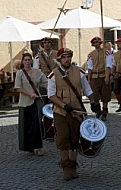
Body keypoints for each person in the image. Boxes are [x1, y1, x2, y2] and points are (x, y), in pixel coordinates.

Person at [48, 48, 95, 181]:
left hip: (77, 111)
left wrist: (93, 102)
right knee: (63, 139)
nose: (67, 59)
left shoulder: (79, 72)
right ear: (59, 59)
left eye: (69, 57)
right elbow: (51, 95)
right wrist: (64, 105)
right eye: (64, 57)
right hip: (60, 112)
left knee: (75, 139)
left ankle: (73, 167)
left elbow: (87, 89)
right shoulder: (54, 74)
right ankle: (66, 168)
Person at [14, 53, 47, 156]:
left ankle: (38, 147)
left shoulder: (38, 72)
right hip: (24, 102)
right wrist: (30, 93)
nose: (27, 62)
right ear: (23, 62)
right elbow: (18, 88)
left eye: (29, 60)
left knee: (37, 125)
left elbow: (46, 83)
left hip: (36, 102)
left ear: (32, 61)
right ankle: (29, 148)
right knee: (26, 126)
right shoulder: (20, 73)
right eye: (25, 60)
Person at [87, 37, 112, 121]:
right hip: (94, 76)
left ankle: (105, 111)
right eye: (95, 42)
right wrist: (89, 79)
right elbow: (90, 67)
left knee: (105, 94)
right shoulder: (91, 54)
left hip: (103, 75)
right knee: (95, 94)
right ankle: (98, 110)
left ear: (100, 43)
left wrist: (107, 76)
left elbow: (108, 65)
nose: (96, 44)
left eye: (98, 42)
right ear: (93, 44)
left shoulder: (106, 52)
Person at [33, 37, 58, 104]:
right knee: (44, 101)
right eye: (45, 43)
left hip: (56, 80)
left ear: (52, 44)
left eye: (49, 43)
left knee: (56, 100)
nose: (47, 44)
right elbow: (36, 70)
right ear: (42, 44)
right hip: (44, 82)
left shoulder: (58, 55)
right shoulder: (38, 57)